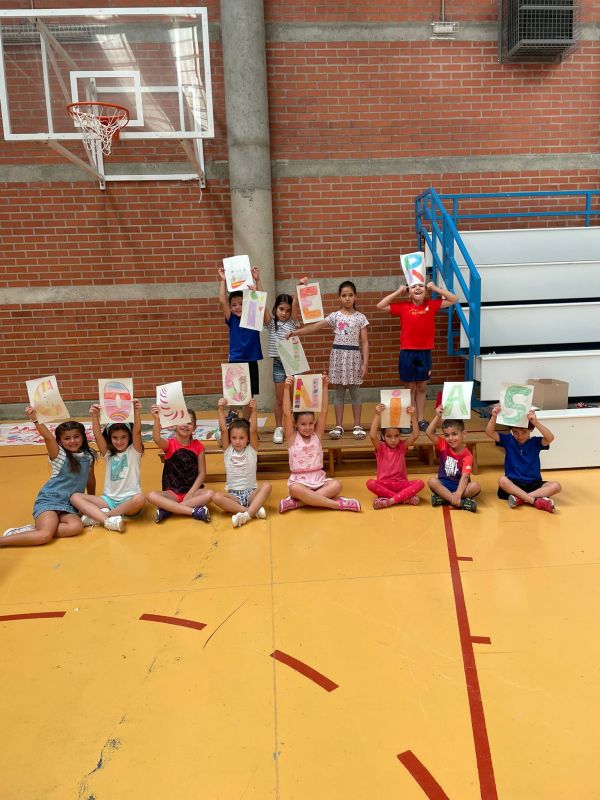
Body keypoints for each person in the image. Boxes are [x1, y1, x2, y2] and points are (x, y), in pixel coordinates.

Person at [2, 408, 97, 546]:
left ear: (83, 437)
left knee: (76, 527)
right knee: (44, 536)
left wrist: (89, 503)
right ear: (60, 441)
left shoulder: (89, 456)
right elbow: (48, 437)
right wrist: (35, 419)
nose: (72, 441)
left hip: (70, 506)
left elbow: (90, 479)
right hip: (50, 501)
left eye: (76, 436)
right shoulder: (59, 455)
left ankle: (33, 530)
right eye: (67, 438)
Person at [290, 280, 369, 440]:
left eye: (350, 295)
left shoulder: (361, 318)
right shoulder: (334, 316)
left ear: (355, 296)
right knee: (338, 392)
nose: (347, 298)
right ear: (339, 297)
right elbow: (314, 327)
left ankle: (357, 425)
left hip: (354, 356)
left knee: (355, 392)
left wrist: (365, 362)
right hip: (338, 356)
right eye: (343, 295)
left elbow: (365, 341)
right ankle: (338, 425)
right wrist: (296, 332)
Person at [377, 279, 458, 431]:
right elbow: (380, 305)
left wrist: (435, 289)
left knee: (421, 387)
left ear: (426, 290)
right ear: (408, 292)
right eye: (414, 286)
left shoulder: (431, 305)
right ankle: (409, 420)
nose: (418, 288)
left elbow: (454, 299)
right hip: (407, 352)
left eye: (421, 285)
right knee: (410, 388)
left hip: (424, 353)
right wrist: (398, 291)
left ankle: (420, 420)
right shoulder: (403, 307)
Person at [279, 374, 360, 513]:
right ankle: (337, 504)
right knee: (294, 489)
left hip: (319, 480)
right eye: (303, 424)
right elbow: (286, 413)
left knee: (336, 485)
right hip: (299, 483)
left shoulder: (317, 435)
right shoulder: (292, 437)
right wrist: (287, 388)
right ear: (295, 424)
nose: (308, 427)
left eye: (311, 423)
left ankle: (299, 504)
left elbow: (323, 411)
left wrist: (325, 387)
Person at [70, 400, 146, 533]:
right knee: (75, 497)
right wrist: (94, 415)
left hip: (129, 501)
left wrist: (136, 411)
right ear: (110, 438)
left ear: (129, 437)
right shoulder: (108, 454)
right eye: (115, 438)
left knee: (140, 499)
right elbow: (97, 435)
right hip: (108, 500)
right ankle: (108, 517)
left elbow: (137, 432)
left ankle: (102, 517)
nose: (119, 441)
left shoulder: (134, 452)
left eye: (123, 437)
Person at [485, 404, 561, 512]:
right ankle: (534, 500)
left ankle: (521, 499)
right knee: (502, 480)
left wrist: (535, 422)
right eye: (515, 432)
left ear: (531, 430)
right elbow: (489, 432)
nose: (519, 436)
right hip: (513, 483)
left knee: (556, 486)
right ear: (511, 430)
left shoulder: (535, 442)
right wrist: (494, 416)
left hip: (533, 483)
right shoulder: (508, 440)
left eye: (524, 432)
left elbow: (550, 437)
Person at [211, 398, 272, 527]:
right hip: (234, 496)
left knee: (267, 486)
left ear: (248, 438)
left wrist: (254, 410)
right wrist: (220, 409)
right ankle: (250, 512)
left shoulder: (252, 450)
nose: (237, 441)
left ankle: (246, 515)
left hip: (251, 494)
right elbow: (223, 430)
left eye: (241, 438)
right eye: (233, 438)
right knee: (216, 497)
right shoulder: (228, 450)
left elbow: (253, 430)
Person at [147, 406, 213, 524]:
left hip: (192, 492)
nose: (185, 425)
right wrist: (157, 419)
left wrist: (190, 493)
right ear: (174, 425)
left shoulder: (199, 446)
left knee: (210, 494)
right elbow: (157, 439)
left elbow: (202, 474)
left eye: (189, 422)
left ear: (194, 428)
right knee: (151, 496)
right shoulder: (170, 444)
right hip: (172, 493)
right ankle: (194, 512)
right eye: (181, 421)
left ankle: (169, 509)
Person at [218, 263, 265, 422]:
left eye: (240, 304)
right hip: (236, 360)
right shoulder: (231, 320)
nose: (237, 307)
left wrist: (257, 281)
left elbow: (260, 300)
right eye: (234, 305)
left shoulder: (253, 317)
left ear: (247, 303)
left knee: (248, 395)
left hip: (251, 360)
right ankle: (232, 416)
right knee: (234, 393)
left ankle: (245, 423)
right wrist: (223, 280)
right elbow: (222, 301)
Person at [264, 282, 303, 444]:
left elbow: (295, 304)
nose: (284, 313)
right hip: (279, 365)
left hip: (293, 364)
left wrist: (298, 288)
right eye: (281, 309)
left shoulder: (292, 323)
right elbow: (263, 306)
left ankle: (295, 426)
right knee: (280, 399)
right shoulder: (271, 324)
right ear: (275, 309)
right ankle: (279, 427)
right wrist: (258, 282)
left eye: (287, 310)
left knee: (296, 399)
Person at [366, 403, 425, 509]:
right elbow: (372, 435)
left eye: (396, 436)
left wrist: (413, 416)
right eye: (389, 436)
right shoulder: (381, 447)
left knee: (420, 483)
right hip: (385, 485)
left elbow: (415, 435)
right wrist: (377, 414)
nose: (393, 440)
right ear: (383, 436)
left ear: (400, 436)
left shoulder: (402, 446)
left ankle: (389, 500)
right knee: (370, 483)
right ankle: (403, 499)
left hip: (401, 485)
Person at [425, 406, 480, 512]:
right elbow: (429, 433)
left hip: (461, 487)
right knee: (432, 481)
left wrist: (458, 494)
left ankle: (444, 498)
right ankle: (460, 503)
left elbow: (465, 477)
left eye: (454, 434)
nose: (450, 438)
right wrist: (437, 416)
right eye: (447, 435)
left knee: (475, 486)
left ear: (464, 434)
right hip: (444, 485)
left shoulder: (467, 455)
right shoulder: (443, 445)